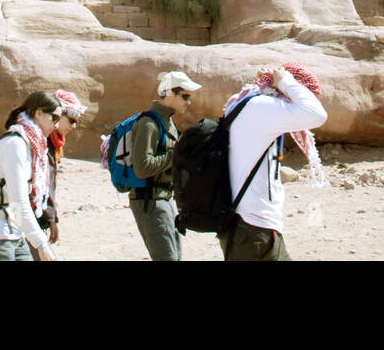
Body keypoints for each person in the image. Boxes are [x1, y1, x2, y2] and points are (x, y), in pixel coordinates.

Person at [220, 63, 328, 261]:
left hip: (248, 226)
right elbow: (316, 114)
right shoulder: (260, 107)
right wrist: (287, 81)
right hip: (253, 227)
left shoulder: (248, 104)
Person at [0, 91, 64, 261]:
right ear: (39, 113)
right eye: (54, 118)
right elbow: (17, 202)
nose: (56, 125)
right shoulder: (15, 144)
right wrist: (41, 244)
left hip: (15, 234)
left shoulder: (29, 144)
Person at [129, 70, 200, 261]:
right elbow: (142, 167)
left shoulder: (167, 123)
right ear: (169, 94)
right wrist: (175, 153)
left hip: (163, 200)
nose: (188, 102)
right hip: (150, 202)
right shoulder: (148, 124)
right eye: (185, 96)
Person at [35, 89, 86, 255]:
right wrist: (51, 219)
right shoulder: (42, 143)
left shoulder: (50, 143)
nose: (74, 126)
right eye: (71, 120)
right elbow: (43, 183)